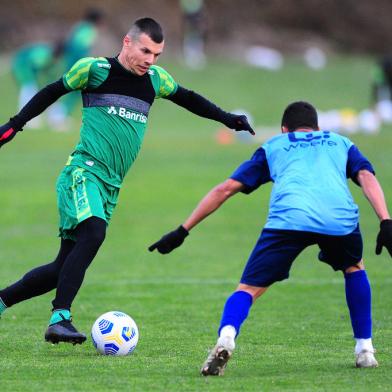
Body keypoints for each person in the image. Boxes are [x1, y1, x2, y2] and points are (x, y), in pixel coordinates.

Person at [0, 17, 254, 345]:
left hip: (110, 186)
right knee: (94, 231)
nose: (150, 60)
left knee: (61, 267)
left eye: (157, 54)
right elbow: (52, 91)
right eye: (146, 50)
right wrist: (14, 125)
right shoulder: (93, 70)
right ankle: (60, 317)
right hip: (82, 172)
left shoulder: (156, 80)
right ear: (127, 42)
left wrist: (228, 119)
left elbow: (189, 98)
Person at [149, 101, 392, 375]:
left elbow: (225, 189)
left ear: (284, 129)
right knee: (354, 268)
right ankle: (365, 350)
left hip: (289, 218)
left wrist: (183, 229)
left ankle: (226, 336)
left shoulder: (276, 145)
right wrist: (385, 220)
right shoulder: (340, 142)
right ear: (318, 127)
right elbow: (365, 175)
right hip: (338, 219)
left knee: (247, 290)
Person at [61, 8, 106, 117]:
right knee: (75, 88)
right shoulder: (89, 30)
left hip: (69, 60)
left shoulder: (80, 26)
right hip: (76, 63)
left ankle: (60, 113)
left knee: (70, 87)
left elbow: (69, 45)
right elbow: (79, 48)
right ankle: (60, 114)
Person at [11, 41, 64, 127]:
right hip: (22, 66)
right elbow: (31, 65)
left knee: (31, 88)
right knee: (29, 88)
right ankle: (24, 119)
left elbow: (49, 76)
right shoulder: (43, 55)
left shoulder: (50, 58)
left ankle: (29, 117)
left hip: (29, 68)